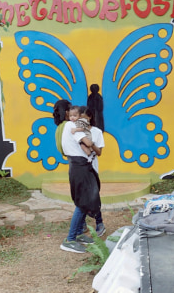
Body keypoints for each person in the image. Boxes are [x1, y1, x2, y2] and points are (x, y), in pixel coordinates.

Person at [56, 101, 102, 254]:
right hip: (80, 166)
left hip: (80, 165)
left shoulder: (66, 126)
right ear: (68, 114)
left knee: (86, 200)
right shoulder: (71, 126)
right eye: (73, 114)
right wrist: (90, 142)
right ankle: (70, 239)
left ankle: (78, 234)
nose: (77, 118)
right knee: (82, 203)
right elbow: (87, 142)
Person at [80, 107, 106, 237]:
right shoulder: (76, 132)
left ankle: (99, 223)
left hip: (92, 169)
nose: (82, 120)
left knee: (94, 196)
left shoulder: (97, 132)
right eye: (80, 118)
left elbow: (99, 152)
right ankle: (82, 222)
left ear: (90, 117)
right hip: (79, 168)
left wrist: (90, 144)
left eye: (84, 117)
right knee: (81, 195)